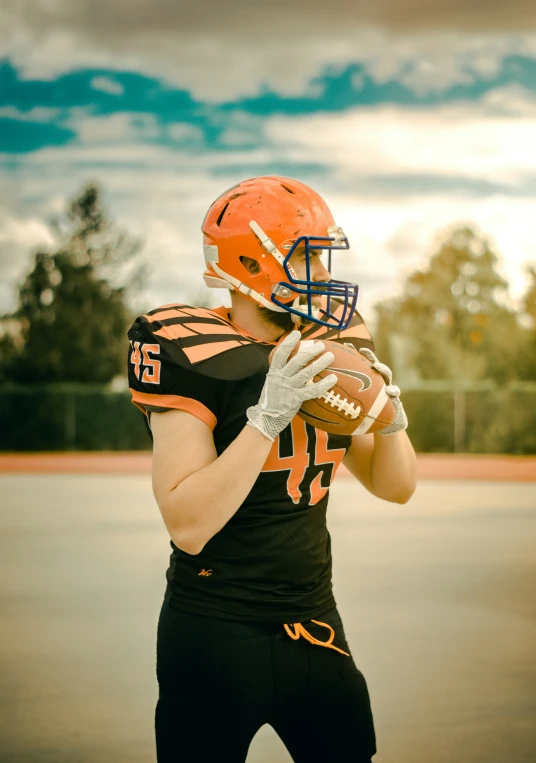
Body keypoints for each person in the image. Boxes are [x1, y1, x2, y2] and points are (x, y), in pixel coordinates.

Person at [127, 175, 417, 762]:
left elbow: (397, 486)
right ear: (255, 264)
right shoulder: (195, 350)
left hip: (314, 622)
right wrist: (265, 419)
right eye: (308, 257)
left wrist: (390, 421)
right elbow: (187, 525)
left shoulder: (325, 347)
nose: (324, 276)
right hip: (215, 630)